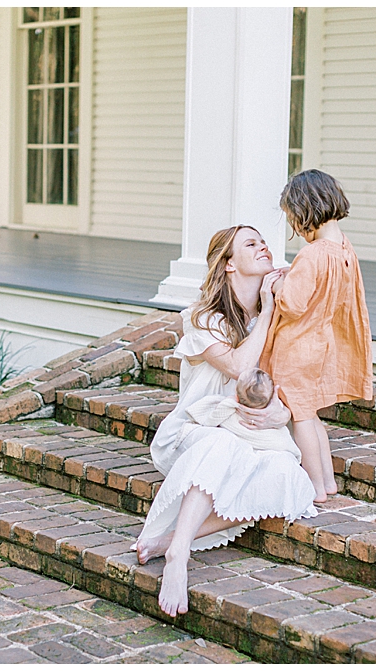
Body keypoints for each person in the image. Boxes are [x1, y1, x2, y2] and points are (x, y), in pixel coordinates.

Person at [135, 226, 318, 618]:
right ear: (230, 264)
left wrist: (280, 414)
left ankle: (169, 539)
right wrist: (268, 313)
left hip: (251, 435)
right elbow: (239, 367)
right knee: (225, 446)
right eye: (250, 244)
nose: (264, 246)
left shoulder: (275, 319)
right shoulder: (203, 320)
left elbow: (286, 389)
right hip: (197, 433)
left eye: (264, 241)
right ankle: (178, 556)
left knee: (287, 475)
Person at [262, 169, 374, 504]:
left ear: (306, 211)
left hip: (296, 347)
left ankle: (313, 487)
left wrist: (278, 282)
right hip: (321, 343)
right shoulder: (343, 249)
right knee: (311, 416)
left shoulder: (311, 254)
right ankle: (327, 481)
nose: (295, 228)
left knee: (302, 420)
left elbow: (294, 304)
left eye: (294, 220)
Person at [181, 368, 302, 461]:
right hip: (269, 442)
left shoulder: (230, 406)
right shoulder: (276, 408)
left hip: (242, 442)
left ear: (237, 396)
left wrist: (228, 401)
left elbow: (211, 421)